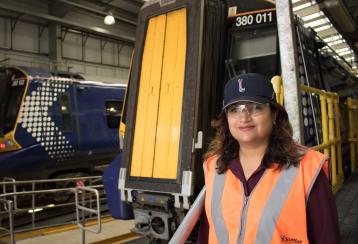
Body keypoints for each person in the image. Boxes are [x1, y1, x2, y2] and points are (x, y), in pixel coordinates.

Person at [198, 73, 340, 243]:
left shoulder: (308, 169)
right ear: (227, 118)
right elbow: (207, 233)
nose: (244, 117)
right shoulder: (214, 166)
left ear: (273, 114)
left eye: (256, 107)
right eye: (235, 109)